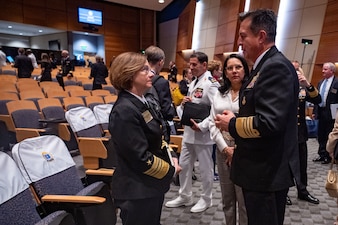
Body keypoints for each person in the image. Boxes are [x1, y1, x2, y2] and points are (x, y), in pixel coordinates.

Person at [214, 9, 299, 225]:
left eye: (243, 36)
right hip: (258, 169)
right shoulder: (263, 66)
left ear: (261, 36)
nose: (240, 42)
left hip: (266, 172)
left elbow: (270, 123)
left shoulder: (275, 66)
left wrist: (231, 124)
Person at [108, 52, 181, 225]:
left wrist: (173, 157)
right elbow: (139, 157)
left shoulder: (140, 102)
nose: (152, 74)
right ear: (129, 74)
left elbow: (158, 136)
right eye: (144, 70)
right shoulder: (124, 110)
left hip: (149, 185)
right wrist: (170, 170)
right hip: (136, 191)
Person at [165, 51, 220, 213]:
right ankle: (185, 195)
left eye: (194, 64)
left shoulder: (211, 83)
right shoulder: (194, 81)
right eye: (190, 64)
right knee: (184, 165)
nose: (191, 67)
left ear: (204, 65)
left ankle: (206, 198)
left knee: (205, 168)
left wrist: (203, 126)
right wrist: (183, 104)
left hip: (202, 134)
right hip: (189, 133)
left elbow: (216, 110)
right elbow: (190, 107)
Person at [209, 54, 249, 225]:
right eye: (230, 68)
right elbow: (212, 122)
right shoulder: (219, 92)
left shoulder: (251, 92)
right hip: (222, 147)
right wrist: (225, 148)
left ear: (245, 70)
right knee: (227, 198)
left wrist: (236, 150)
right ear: (224, 72)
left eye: (238, 67)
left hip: (244, 150)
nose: (234, 71)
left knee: (243, 199)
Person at [285, 60, 321, 205]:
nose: (295, 72)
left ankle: (302, 190)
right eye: (292, 69)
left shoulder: (303, 88)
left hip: (300, 134)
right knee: (285, 166)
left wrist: (308, 84)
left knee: (301, 165)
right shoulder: (282, 86)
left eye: (297, 69)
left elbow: (318, 100)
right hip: (286, 134)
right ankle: (284, 192)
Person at [144, 45, 176, 142]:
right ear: (161, 62)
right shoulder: (161, 82)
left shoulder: (138, 77)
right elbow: (167, 112)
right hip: (157, 129)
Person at [313, 62, 338, 164]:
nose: (323, 71)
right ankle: (321, 154)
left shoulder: (337, 82)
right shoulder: (320, 82)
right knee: (321, 134)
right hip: (321, 111)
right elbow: (316, 98)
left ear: (332, 71)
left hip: (332, 112)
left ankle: (328, 155)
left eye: (325, 69)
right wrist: (315, 111)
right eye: (323, 69)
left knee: (329, 134)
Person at [208, 59, 223, 181]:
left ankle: (212, 171)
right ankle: (211, 172)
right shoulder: (213, 83)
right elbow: (216, 103)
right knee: (211, 149)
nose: (221, 72)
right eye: (219, 70)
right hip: (211, 118)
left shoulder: (217, 82)